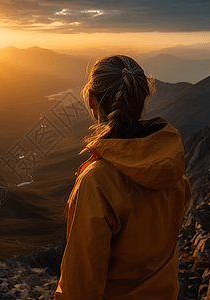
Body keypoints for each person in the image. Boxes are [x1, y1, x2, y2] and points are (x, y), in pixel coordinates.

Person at [54, 55, 191, 299]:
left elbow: (82, 283)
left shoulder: (97, 183)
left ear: (91, 100)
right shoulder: (173, 171)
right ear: (142, 97)